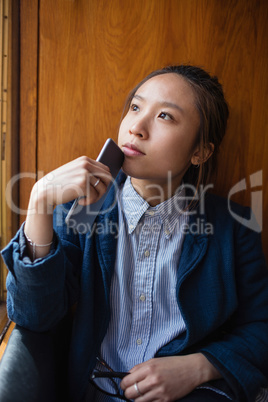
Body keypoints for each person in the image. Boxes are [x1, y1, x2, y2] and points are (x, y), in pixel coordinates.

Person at [1, 65, 268, 402]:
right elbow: (33, 316)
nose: (136, 128)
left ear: (200, 151)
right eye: (136, 107)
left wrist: (198, 367)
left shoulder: (234, 228)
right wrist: (40, 201)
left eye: (166, 117)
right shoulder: (79, 212)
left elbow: (261, 328)